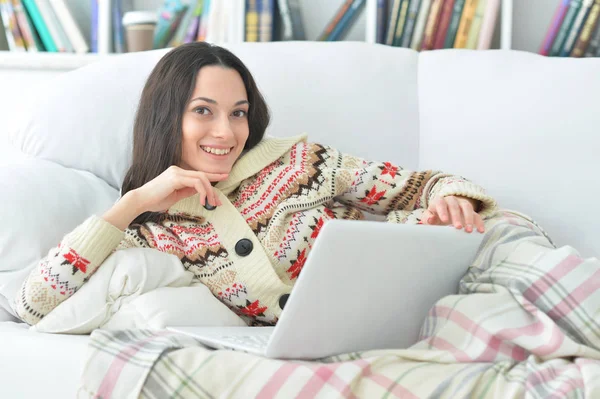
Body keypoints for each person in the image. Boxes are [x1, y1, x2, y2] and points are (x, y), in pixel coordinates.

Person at [14, 42, 497, 326]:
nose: (226, 132)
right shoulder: (151, 231)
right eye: (203, 111)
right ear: (165, 119)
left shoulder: (299, 162)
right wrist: (133, 203)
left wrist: (450, 199)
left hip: (454, 266)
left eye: (238, 113)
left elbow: (418, 186)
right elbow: (34, 305)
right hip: (379, 331)